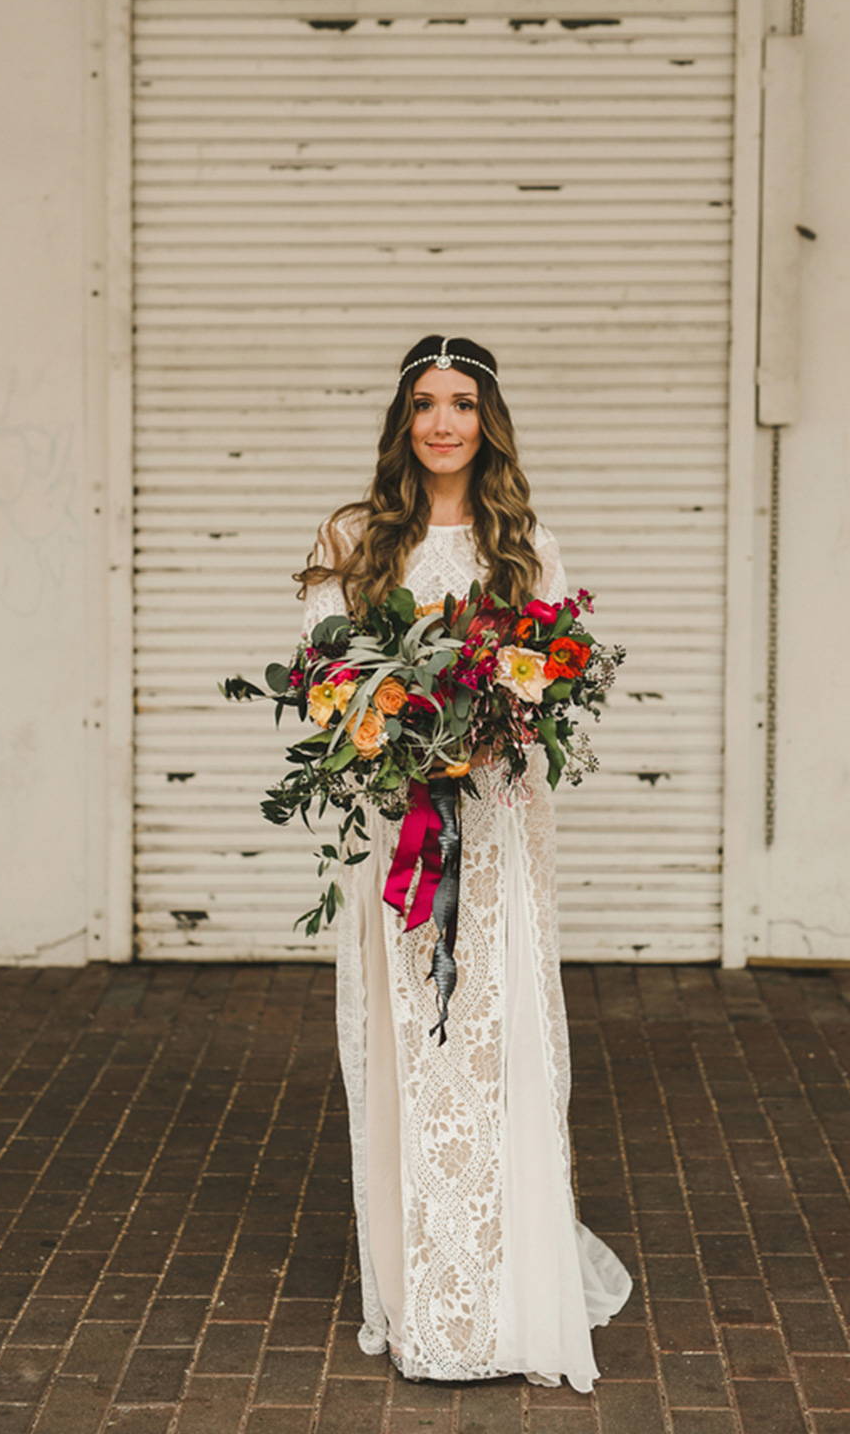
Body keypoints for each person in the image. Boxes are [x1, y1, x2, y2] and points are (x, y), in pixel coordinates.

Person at [293, 334, 633, 1391]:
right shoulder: (353, 538)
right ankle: (426, 1298)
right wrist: (383, 727)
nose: (443, 422)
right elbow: (321, 678)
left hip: (493, 831)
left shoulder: (520, 542)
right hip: (402, 833)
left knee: (496, 1051)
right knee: (409, 1053)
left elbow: (553, 679)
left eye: (463, 404)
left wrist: (498, 727)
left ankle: (506, 1290)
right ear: (401, 421)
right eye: (425, 404)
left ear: (488, 422)